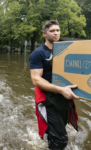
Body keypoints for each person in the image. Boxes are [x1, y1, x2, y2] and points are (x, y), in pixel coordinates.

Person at [29, 20, 79, 150]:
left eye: (57, 30)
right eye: (52, 31)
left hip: (63, 96)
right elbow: (36, 79)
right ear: (44, 34)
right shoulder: (38, 53)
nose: (56, 33)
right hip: (48, 99)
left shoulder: (66, 51)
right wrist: (60, 89)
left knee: (60, 128)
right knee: (61, 140)